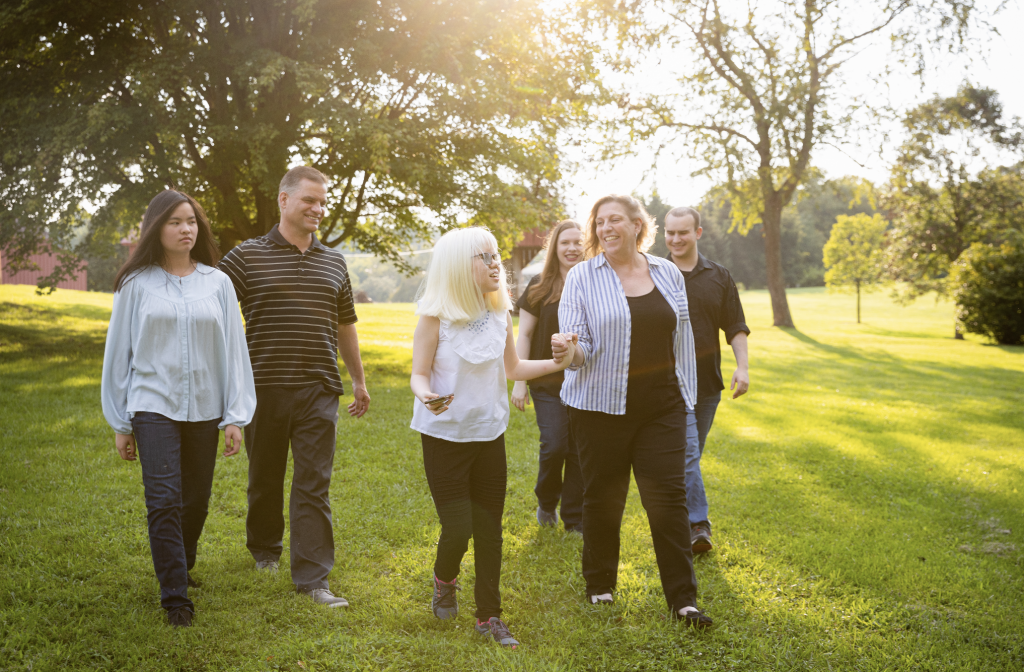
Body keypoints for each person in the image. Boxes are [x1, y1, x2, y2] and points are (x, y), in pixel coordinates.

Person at [409, 227, 577, 648]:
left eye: (496, 255)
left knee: (488, 529)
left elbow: (514, 369)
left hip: (488, 436)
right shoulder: (434, 315)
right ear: (456, 266)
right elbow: (419, 372)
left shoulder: (500, 313)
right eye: (484, 257)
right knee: (457, 527)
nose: (495, 262)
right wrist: (424, 393)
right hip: (444, 436)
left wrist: (563, 363)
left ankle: (489, 616)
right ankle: (444, 579)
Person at [101, 189, 256, 627]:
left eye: (191, 221)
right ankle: (175, 597)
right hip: (153, 405)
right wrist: (120, 422)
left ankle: (181, 562)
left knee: (197, 500)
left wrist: (234, 416)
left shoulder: (218, 282)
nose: (185, 229)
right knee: (164, 499)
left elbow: (234, 353)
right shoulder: (136, 285)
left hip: (206, 406)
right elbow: (119, 353)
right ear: (156, 228)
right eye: (174, 222)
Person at [218, 166, 370, 608]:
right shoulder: (246, 256)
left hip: (319, 388)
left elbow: (345, 325)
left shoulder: (333, 261)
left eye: (323, 202)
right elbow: (210, 307)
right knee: (264, 476)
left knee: (313, 483)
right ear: (283, 200)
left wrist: (358, 379)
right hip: (262, 386)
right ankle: (264, 549)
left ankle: (313, 579)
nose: (318, 209)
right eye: (309, 200)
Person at [559, 194, 713, 629]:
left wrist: (687, 396)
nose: (607, 228)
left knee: (668, 502)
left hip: (661, 407)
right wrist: (570, 351)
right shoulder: (582, 277)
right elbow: (579, 346)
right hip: (599, 408)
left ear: (636, 225)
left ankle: (683, 601)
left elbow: (681, 339)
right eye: (600, 221)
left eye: (616, 220)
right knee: (604, 499)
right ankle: (600, 585)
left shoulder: (666, 272)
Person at [664, 207, 749, 554]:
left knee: (689, 456)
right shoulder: (654, 273)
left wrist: (742, 368)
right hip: (665, 383)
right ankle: (698, 525)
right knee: (686, 454)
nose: (675, 239)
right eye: (670, 233)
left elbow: (735, 325)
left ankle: (679, 517)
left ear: (698, 233)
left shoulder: (719, 276)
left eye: (683, 232)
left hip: (706, 385)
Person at [512, 220, 585, 532]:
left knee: (580, 450)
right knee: (554, 445)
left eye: (577, 242)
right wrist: (519, 381)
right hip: (547, 382)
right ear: (554, 248)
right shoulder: (538, 286)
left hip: (586, 383)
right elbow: (524, 335)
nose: (571, 248)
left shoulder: (597, 284)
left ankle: (574, 518)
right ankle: (546, 501)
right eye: (565, 242)